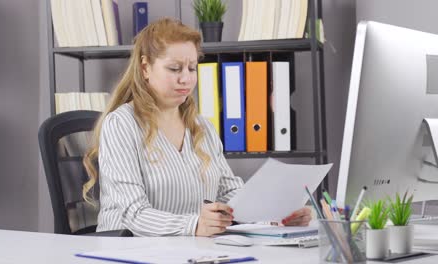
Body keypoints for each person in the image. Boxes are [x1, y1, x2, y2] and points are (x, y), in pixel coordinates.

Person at [82, 17, 312, 237]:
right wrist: (194, 225)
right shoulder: (121, 125)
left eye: (192, 68)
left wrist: (275, 214)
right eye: (174, 69)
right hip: (127, 249)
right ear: (145, 68)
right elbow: (133, 213)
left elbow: (228, 192)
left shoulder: (201, 126)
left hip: (186, 249)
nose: (186, 79)